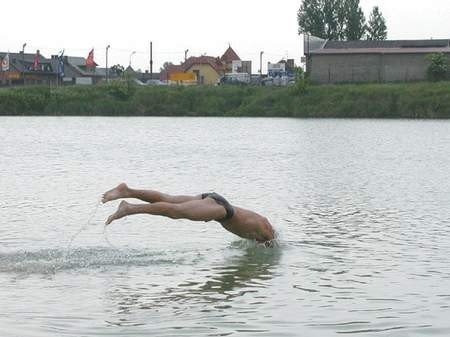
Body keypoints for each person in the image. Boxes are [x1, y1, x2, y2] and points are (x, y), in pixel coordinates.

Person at [102, 183, 275, 244]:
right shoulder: (268, 235)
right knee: (176, 212)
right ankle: (129, 209)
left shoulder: (262, 223)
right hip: (222, 210)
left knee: (169, 199)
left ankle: (127, 190)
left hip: (214, 200)